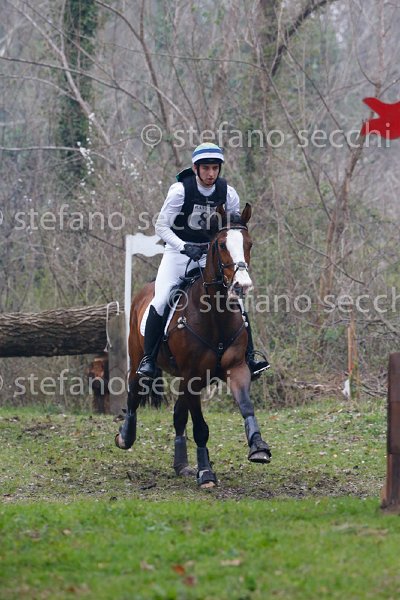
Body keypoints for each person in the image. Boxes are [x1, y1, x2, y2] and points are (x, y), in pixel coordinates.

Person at [136, 142, 269, 379]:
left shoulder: (228, 193)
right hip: (178, 254)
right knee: (162, 298)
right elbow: (161, 227)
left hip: (211, 255)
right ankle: (149, 359)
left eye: (215, 168)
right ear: (196, 168)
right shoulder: (180, 191)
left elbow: (232, 230)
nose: (210, 174)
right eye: (206, 168)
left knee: (236, 300)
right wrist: (184, 246)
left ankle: (249, 357)